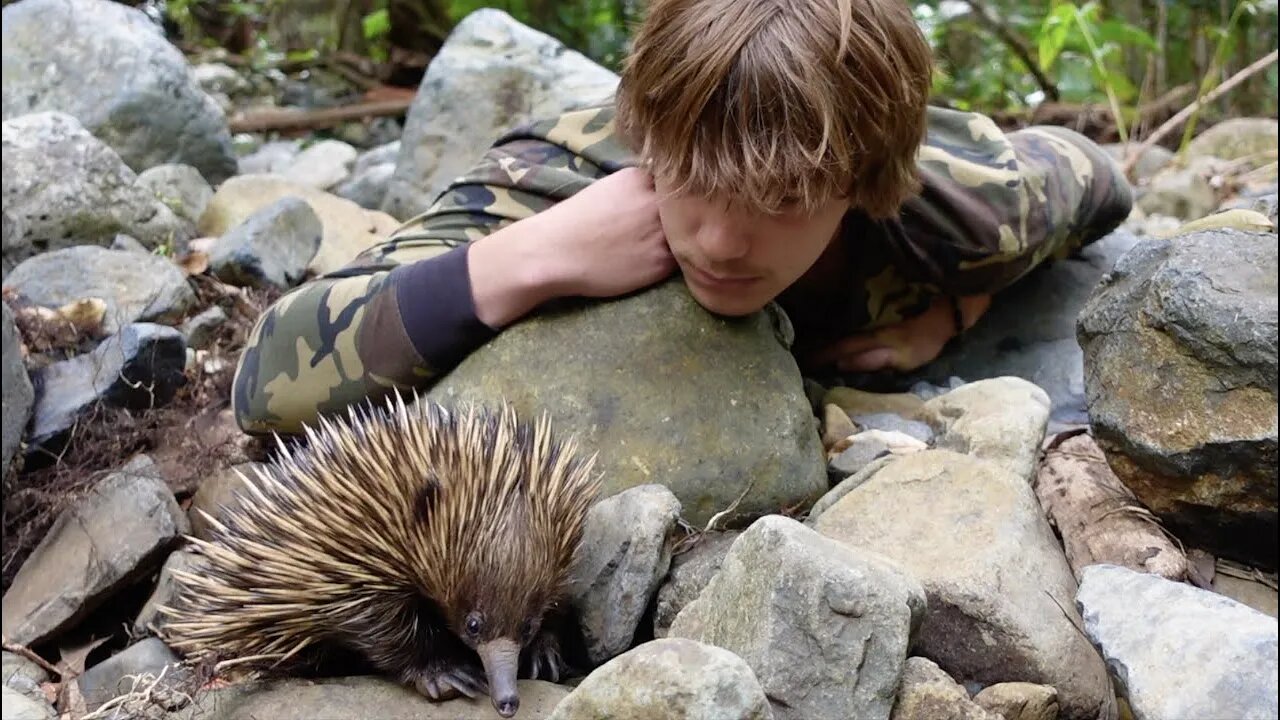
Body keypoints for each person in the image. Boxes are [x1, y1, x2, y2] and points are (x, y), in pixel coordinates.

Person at [230, 0, 1133, 436]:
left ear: (861, 184)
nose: (722, 243)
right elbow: (264, 379)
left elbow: (1098, 181)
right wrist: (526, 260)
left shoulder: (963, 206)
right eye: (693, 186)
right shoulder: (558, 174)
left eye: (782, 203)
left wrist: (959, 308)